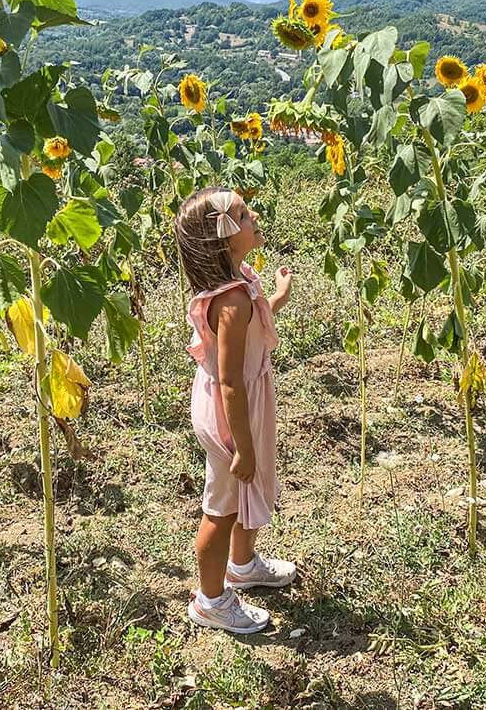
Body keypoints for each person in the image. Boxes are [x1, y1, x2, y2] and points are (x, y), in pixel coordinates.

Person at [175, 186, 295, 634]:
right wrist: (242, 446)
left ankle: (242, 565)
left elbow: (252, 322)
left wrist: (278, 295)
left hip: (242, 402)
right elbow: (229, 382)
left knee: (249, 485)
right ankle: (210, 600)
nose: (254, 215)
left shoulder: (238, 284)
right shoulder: (231, 301)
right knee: (222, 506)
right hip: (231, 413)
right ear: (224, 238)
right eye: (243, 214)